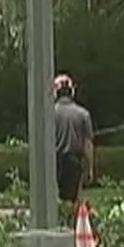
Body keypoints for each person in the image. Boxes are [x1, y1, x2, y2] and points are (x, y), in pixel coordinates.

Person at [52, 73, 95, 219]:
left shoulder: (49, 114)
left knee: (55, 201)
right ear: (71, 91)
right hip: (73, 162)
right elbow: (87, 145)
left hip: (53, 163)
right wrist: (89, 168)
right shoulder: (83, 114)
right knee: (73, 203)